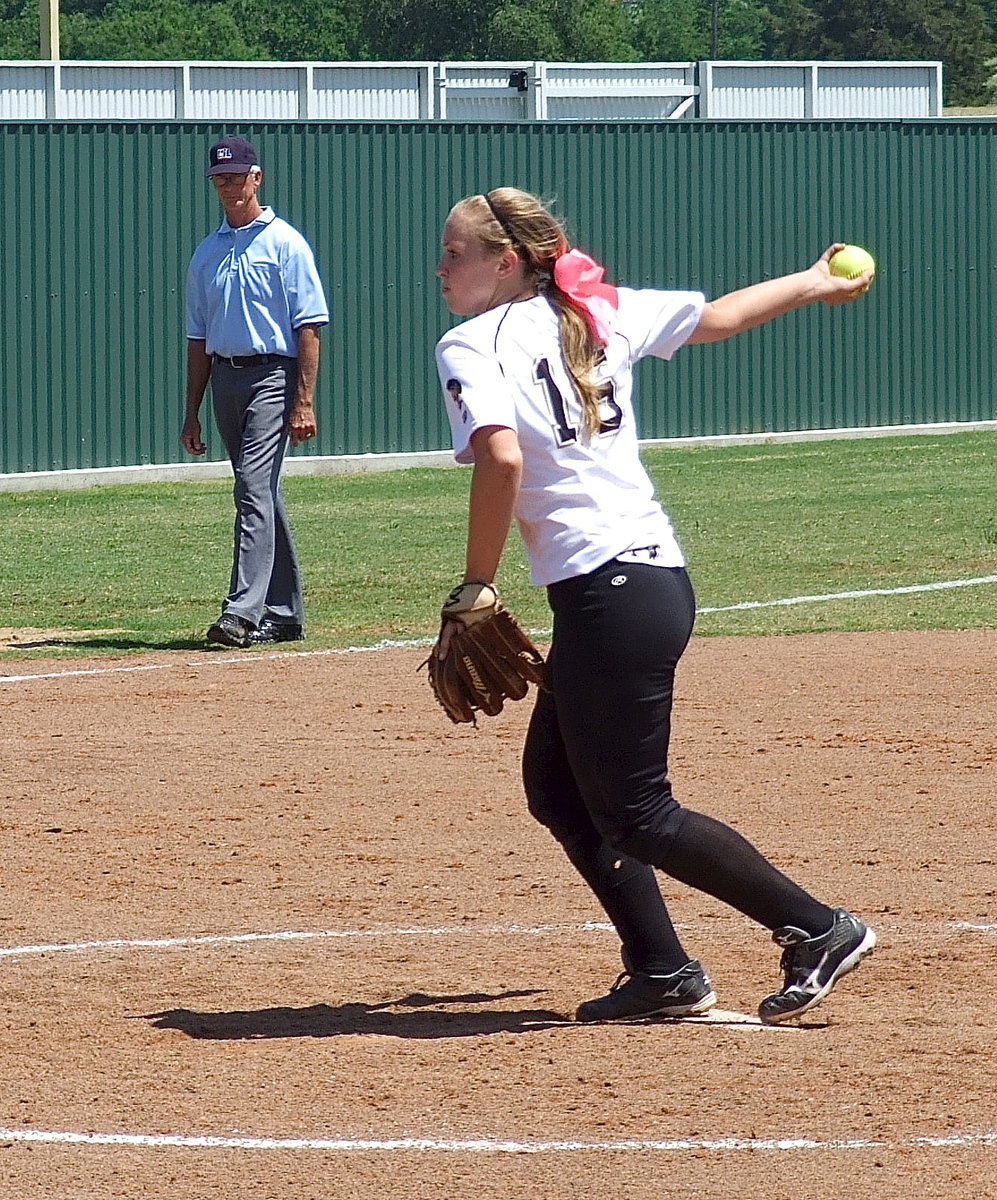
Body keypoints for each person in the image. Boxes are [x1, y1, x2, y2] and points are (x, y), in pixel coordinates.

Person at [433, 187, 877, 1024]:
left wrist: (475, 585)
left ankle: (816, 928)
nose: (440, 267)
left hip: (611, 592)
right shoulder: (595, 314)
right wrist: (813, 281)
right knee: (560, 791)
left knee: (636, 811)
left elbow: (499, 460)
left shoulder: (469, 341)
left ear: (505, 261)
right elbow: (719, 317)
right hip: (643, 584)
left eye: (454, 252)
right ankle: (662, 970)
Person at [181, 136, 329, 648]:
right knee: (260, 490)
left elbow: (309, 325)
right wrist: (191, 411)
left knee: (251, 488)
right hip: (225, 376)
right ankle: (285, 614)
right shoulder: (207, 253)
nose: (228, 186)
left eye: (236, 176)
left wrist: (303, 399)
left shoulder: (286, 243)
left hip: (272, 375)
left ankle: (241, 613)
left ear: (256, 177)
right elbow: (198, 338)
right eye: (219, 178)